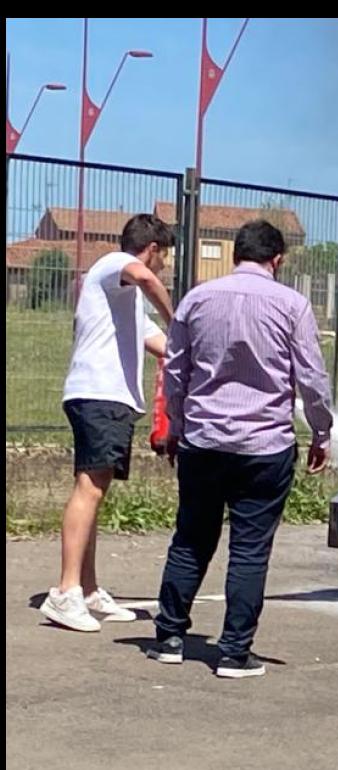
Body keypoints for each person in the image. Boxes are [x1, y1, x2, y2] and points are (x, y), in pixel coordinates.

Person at [150, 219, 333, 678]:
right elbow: (311, 377)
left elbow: (176, 371)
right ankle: (234, 652)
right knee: (250, 549)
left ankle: (170, 636)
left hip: (203, 440)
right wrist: (321, 432)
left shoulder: (196, 298)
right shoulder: (292, 305)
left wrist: (175, 423)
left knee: (191, 539)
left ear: (235, 255)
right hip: (264, 446)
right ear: (277, 259)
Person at [39, 214, 175, 632]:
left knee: (95, 490)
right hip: (97, 395)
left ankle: (88, 588)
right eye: (164, 256)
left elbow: (159, 344)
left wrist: (194, 352)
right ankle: (64, 593)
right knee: (89, 488)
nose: (165, 265)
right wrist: (181, 320)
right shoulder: (115, 265)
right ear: (151, 249)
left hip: (110, 400)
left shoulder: (125, 299)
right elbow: (147, 280)